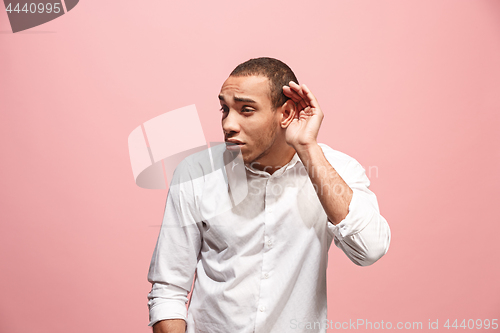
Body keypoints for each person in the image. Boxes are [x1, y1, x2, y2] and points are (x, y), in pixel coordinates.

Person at [147, 57, 391, 333]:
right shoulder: (196, 172)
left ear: (285, 114)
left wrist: (308, 149)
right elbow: (168, 290)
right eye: (225, 109)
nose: (228, 124)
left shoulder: (336, 170)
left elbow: (370, 249)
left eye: (246, 110)